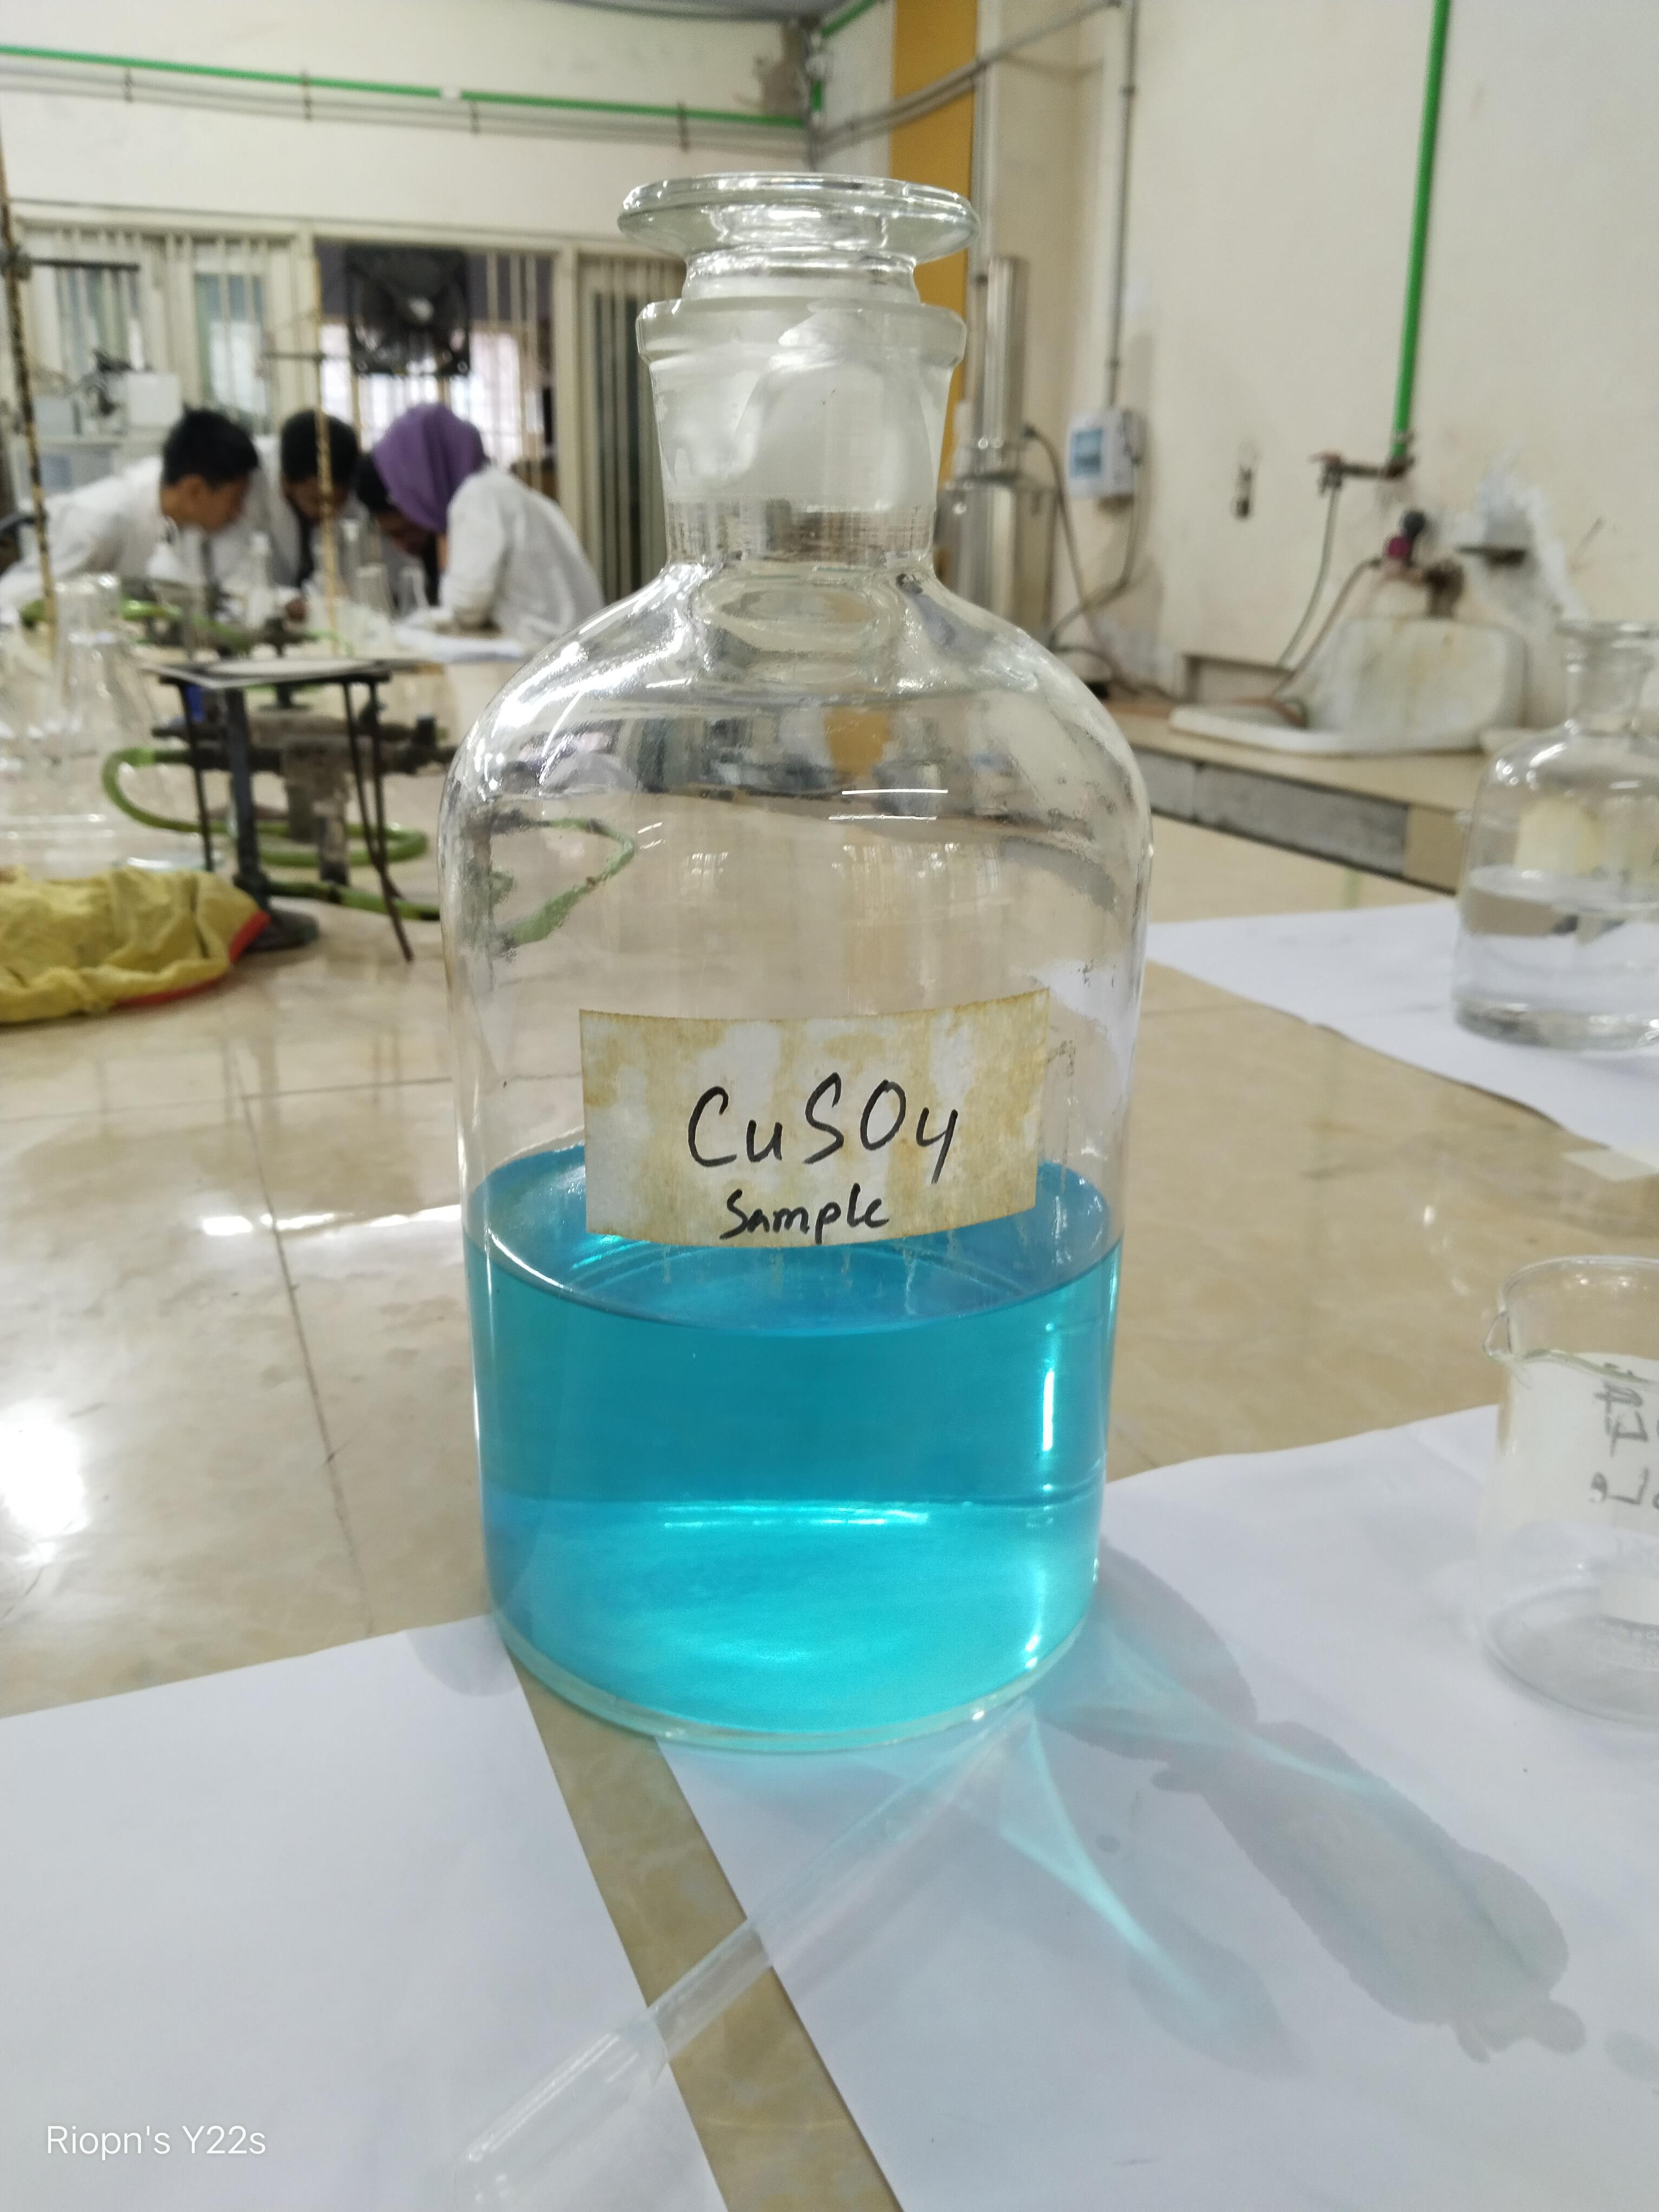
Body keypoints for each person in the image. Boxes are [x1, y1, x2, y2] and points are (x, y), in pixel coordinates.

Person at [358, 403, 602, 647]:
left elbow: (465, 607)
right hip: (573, 645)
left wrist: (443, 539)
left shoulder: (477, 498)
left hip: (552, 651)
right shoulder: (502, 488)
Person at [0, 408, 258, 612]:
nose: (239, 512)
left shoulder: (177, 514)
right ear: (194, 490)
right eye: (235, 499)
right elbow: (13, 601)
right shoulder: (100, 521)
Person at [243, 411, 361, 590]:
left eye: (339, 502)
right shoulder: (253, 486)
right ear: (285, 483)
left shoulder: (355, 489)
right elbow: (241, 573)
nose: (330, 512)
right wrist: (287, 600)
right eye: (318, 501)